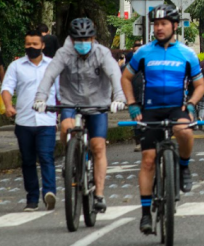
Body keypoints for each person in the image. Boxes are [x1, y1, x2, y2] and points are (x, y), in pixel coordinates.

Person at [121, 4, 204, 234]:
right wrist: (131, 104)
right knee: (148, 159)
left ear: (174, 26)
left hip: (177, 108)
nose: (159, 28)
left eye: (163, 24)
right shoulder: (144, 52)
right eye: (156, 24)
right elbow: (126, 78)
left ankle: (184, 167)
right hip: (150, 110)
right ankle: (146, 213)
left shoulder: (187, 54)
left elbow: (200, 85)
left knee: (184, 131)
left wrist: (190, 104)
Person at [34, 17, 126, 215]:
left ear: (93, 38)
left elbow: (114, 74)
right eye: (78, 39)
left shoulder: (102, 53)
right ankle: (71, 159)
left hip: (97, 104)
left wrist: (118, 97)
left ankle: (99, 195)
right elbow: (49, 75)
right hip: (70, 102)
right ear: (71, 38)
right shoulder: (64, 53)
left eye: (87, 39)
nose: (82, 43)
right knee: (66, 127)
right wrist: (40, 98)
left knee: (98, 146)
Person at [1, 30, 58, 211]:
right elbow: (7, 87)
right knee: (27, 161)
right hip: (24, 121)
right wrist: (9, 105)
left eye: (35, 44)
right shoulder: (16, 66)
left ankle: (49, 193)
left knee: (46, 157)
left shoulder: (53, 66)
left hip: (47, 120)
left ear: (42, 46)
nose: (31, 47)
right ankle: (31, 199)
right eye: (28, 44)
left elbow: (63, 90)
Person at [126, 41, 144, 152]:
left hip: (147, 97)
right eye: (135, 51)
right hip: (135, 97)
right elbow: (125, 80)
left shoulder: (148, 63)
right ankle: (138, 142)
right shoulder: (129, 67)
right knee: (136, 122)